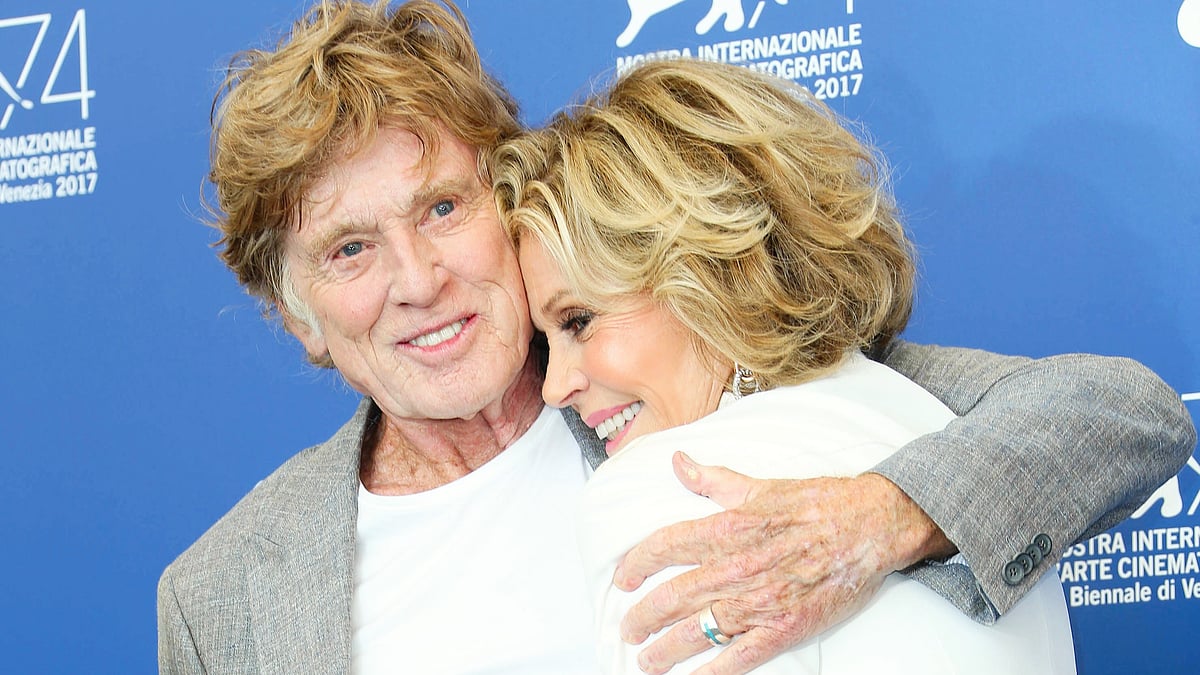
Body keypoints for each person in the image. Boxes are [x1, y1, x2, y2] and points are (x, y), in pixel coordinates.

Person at [156, 1, 1196, 673]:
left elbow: (1118, 413)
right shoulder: (223, 599)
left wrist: (879, 515)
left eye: (441, 208)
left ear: (506, 200)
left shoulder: (692, 367)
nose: (419, 280)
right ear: (296, 315)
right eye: (349, 249)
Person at [492, 56, 1079, 674]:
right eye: (545, 342)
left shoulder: (661, 493)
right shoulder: (934, 428)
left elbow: (1118, 406)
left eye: (578, 321)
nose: (553, 388)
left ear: (710, 276)